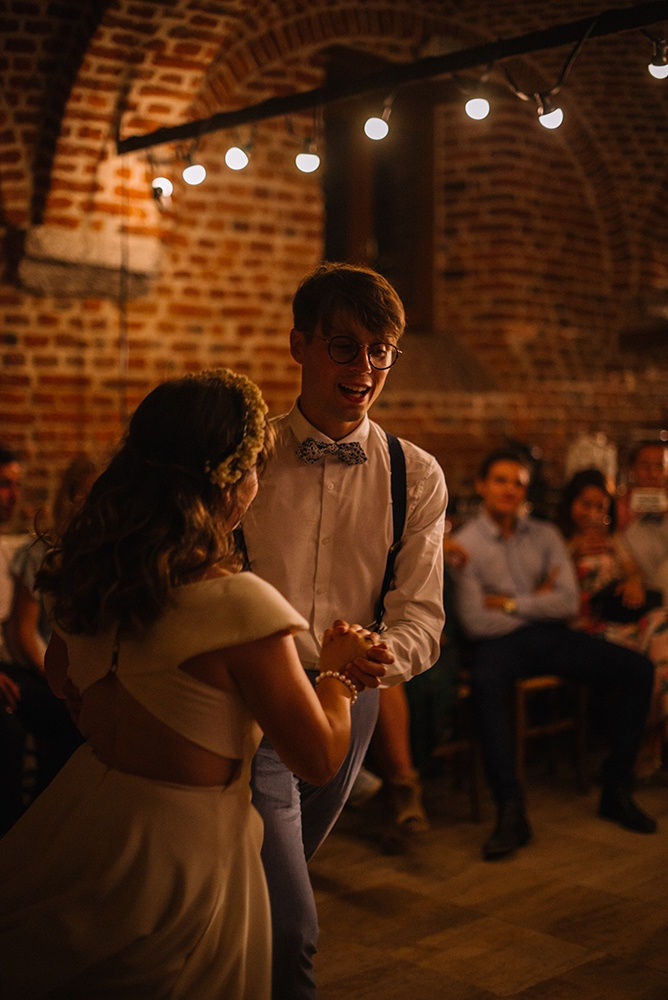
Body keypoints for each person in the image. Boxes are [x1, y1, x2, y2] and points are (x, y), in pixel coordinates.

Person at [0, 369, 375, 999]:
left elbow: (64, 680)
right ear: (229, 479)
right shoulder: (239, 606)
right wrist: (339, 673)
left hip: (89, 815)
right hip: (184, 851)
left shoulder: (86, 577)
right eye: (255, 469)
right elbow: (316, 758)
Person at [242, 261, 447, 999]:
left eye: (380, 351)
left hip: (352, 701)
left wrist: (373, 661)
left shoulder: (414, 474)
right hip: (256, 703)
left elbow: (421, 613)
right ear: (299, 345)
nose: (364, 368)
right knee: (292, 926)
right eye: (344, 346)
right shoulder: (249, 457)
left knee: (271, 884)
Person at [451, 448, 657, 862]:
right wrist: (538, 599)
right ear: (482, 486)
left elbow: (567, 603)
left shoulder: (544, 534)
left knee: (637, 668)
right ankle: (511, 809)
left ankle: (616, 789)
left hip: (550, 635)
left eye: (519, 483)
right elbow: (475, 622)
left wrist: (510, 603)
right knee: (486, 684)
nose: (510, 490)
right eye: (501, 480)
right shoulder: (465, 545)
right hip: (498, 645)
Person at [557, 467, 668, 776]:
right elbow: (543, 585)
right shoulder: (555, 538)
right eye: (586, 504)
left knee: (663, 626)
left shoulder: (612, 538)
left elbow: (633, 571)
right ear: (571, 503)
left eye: (600, 507)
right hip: (583, 626)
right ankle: (650, 739)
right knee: (654, 657)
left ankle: (650, 736)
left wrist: (633, 582)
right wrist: (573, 551)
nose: (593, 513)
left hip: (621, 619)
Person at [620, 441, 668, 602]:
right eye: (645, 466)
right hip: (634, 589)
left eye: (659, 466)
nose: (652, 473)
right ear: (632, 469)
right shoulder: (618, 507)